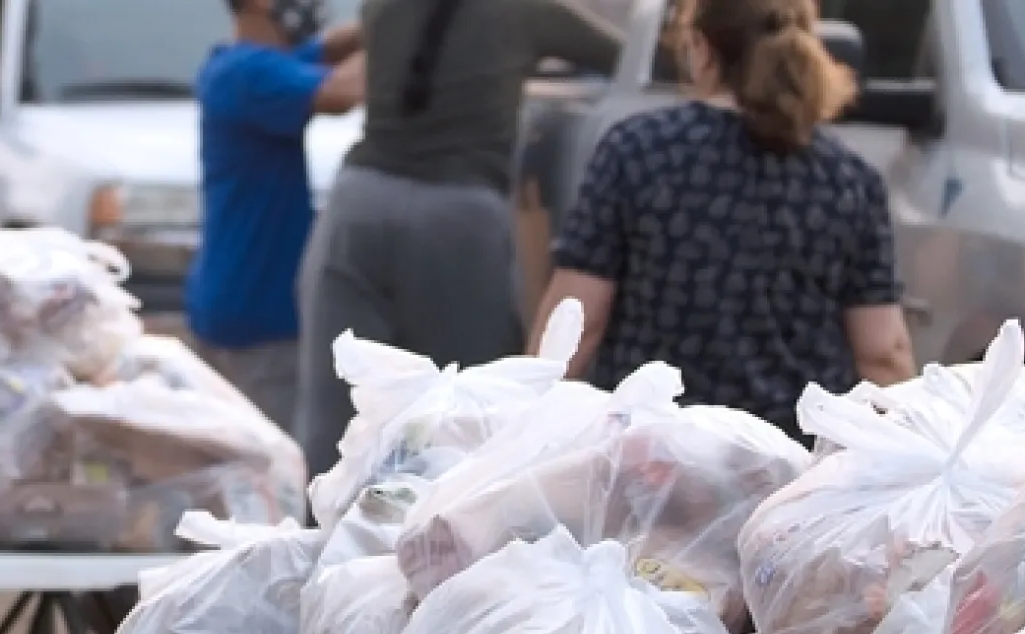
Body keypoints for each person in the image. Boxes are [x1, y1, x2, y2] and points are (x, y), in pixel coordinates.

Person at [529, 0, 917, 446]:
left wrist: (526, 429)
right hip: (789, 467)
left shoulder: (637, 151)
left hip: (652, 457)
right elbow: (883, 353)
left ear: (701, 48)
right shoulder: (849, 179)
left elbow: (578, 320)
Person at [294, 0, 633, 477]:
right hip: (459, 217)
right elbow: (637, 60)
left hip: (358, 203)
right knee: (469, 417)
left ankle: (330, 536)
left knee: (340, 412)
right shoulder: (526, 12)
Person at [189, 0, 365, 434]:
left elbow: (332, 46)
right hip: (259, 317)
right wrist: (408, 32)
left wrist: (386, 18)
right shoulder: (248, 73)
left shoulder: (241, 65)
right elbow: (341, 92)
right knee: (275, 472)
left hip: (232, 301)